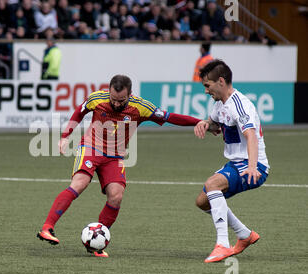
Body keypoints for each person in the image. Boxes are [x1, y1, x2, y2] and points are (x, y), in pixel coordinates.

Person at [37, 74, 204, 257]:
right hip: (91, 148)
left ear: (130, 94)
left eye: (121, 100)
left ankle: (95, 243)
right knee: (80, 184)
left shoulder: (141, 107)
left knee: (116, 197)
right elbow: (79, 111)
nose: (116, 104)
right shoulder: (97, 98)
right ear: (109, 91)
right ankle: (47, 227)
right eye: (113, 99)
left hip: (114, 156)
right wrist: (64, 136)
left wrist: (199, 122)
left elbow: (170, 117)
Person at [193, 59, 270, 263]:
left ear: (220, 81)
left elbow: (251, 136)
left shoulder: (240, 104)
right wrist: (205, 124)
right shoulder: (220, 105)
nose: (206, 91)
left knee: (212, 185)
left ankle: (223, 245)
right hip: (236, 163)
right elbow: (216, 125)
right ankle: (244, 234)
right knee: (202, 201)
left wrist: (253, 166)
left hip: (254, 165)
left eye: (207, 86)